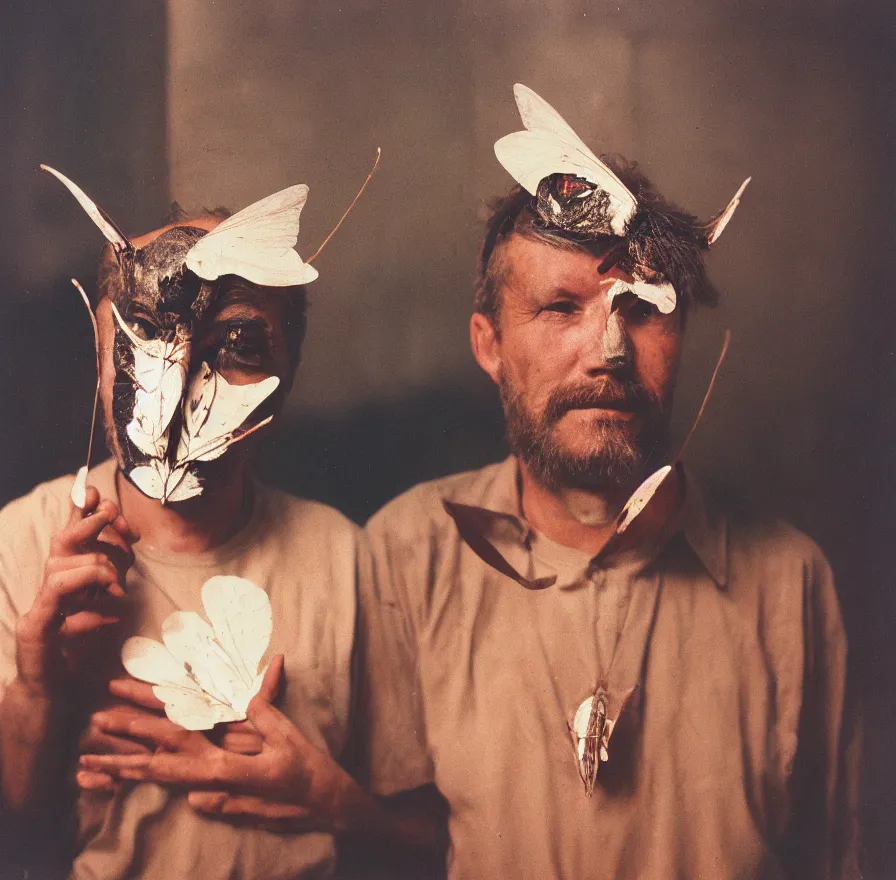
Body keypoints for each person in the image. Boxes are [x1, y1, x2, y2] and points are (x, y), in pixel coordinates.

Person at [81, 87, 860, 879]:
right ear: (488, 344)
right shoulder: (405, 556)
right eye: (561, 307)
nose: (610, 351)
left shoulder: (792, 585)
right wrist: (335, 805)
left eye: (648, 307)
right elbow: (409, 846)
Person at [0, 170, 443, 879]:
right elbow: (14, 831)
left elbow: (425, 843)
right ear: (97, 348)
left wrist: (329, 800)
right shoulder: (17, 546)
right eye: (142, 332)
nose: (174, 394)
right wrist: (40, 689)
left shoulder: (345, 558)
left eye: (236, 344)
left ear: (289, 370)